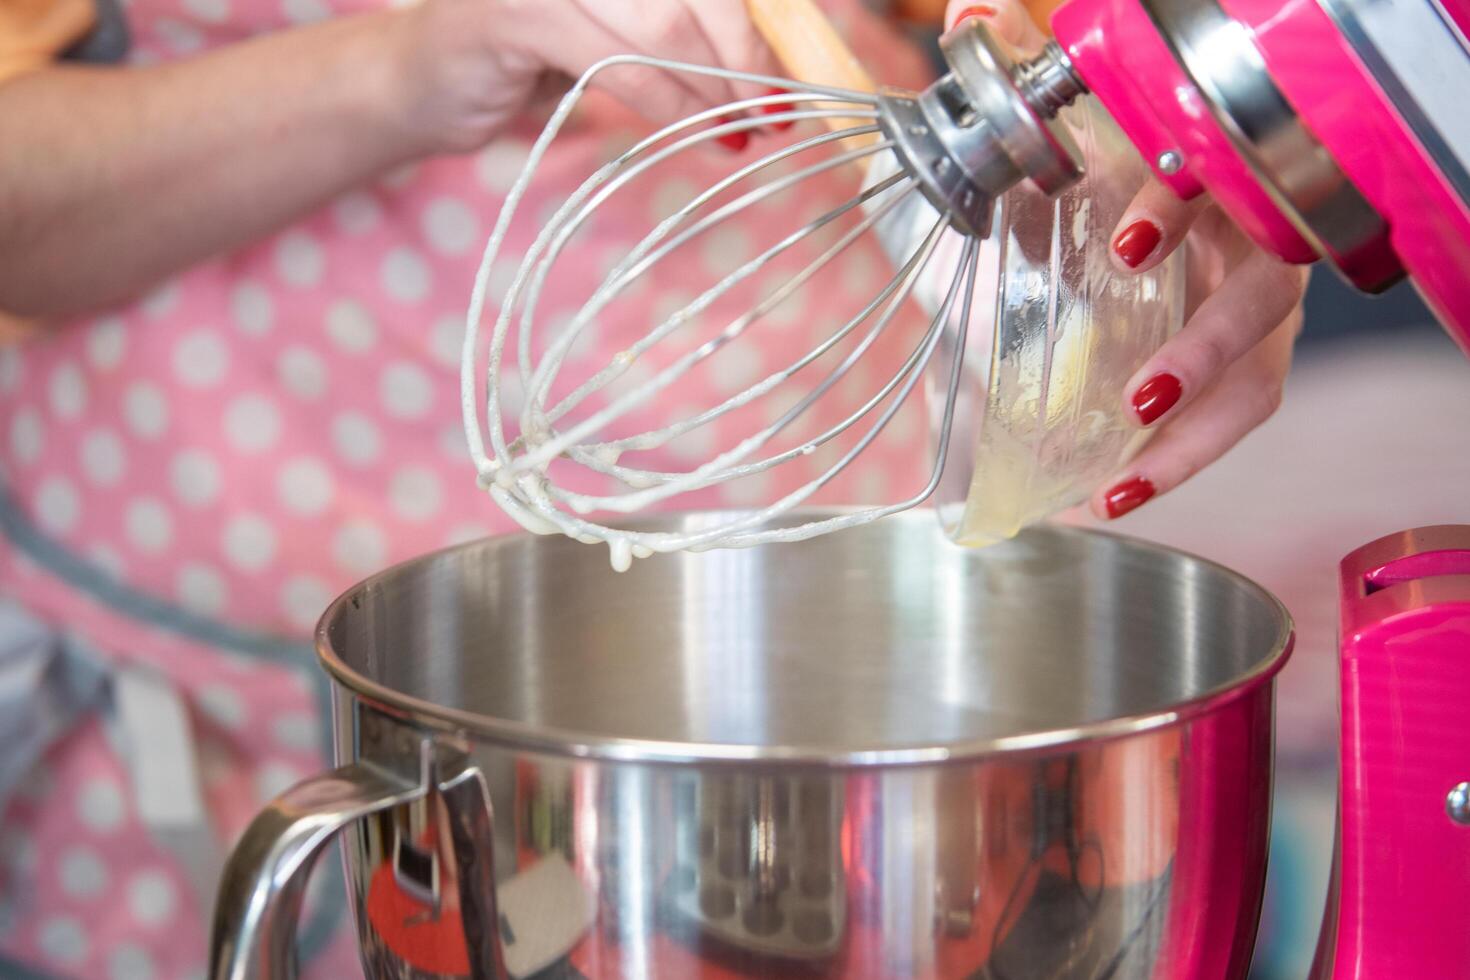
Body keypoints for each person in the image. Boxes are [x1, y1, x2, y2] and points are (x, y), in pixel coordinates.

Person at [0, 0, 1305, 974]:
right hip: (217, 677)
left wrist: (1194, 122)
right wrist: (401, 63)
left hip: (816, 520)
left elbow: (1016, 38)